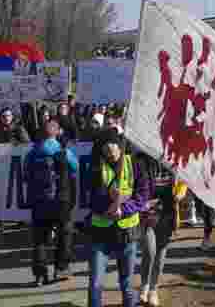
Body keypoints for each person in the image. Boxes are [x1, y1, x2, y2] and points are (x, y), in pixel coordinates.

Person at [87, 127, 149, 307]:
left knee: (127, 283)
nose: (110, 151)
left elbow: (142, 194)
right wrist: (108, 205)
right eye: (106, 148)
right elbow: (90, 198)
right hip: (101, 234)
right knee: (96, 283)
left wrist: (124, 209)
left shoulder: (135, 163)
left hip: (128, 232)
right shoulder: (95, 167)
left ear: (120, 146)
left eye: (113, 145)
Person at [25, 119, 78, 286]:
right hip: (61, 201)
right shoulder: (63, 151)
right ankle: (61, 268)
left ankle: (40, 274)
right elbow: (75, 167)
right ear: (57, 132)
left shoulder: (33, 152)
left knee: (40, 239)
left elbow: (25, 174)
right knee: (65, 234)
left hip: (39, 201)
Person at [138, 155, 184, 307]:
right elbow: (134, 183)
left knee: (160, 254)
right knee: (149, 251)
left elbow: (185, 177)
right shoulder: (142, 159)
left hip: (167, 214)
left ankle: (153, 289)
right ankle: (144, 285)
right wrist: (141, 202)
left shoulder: (175, 157)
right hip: (147, 213)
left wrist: (181, 192)